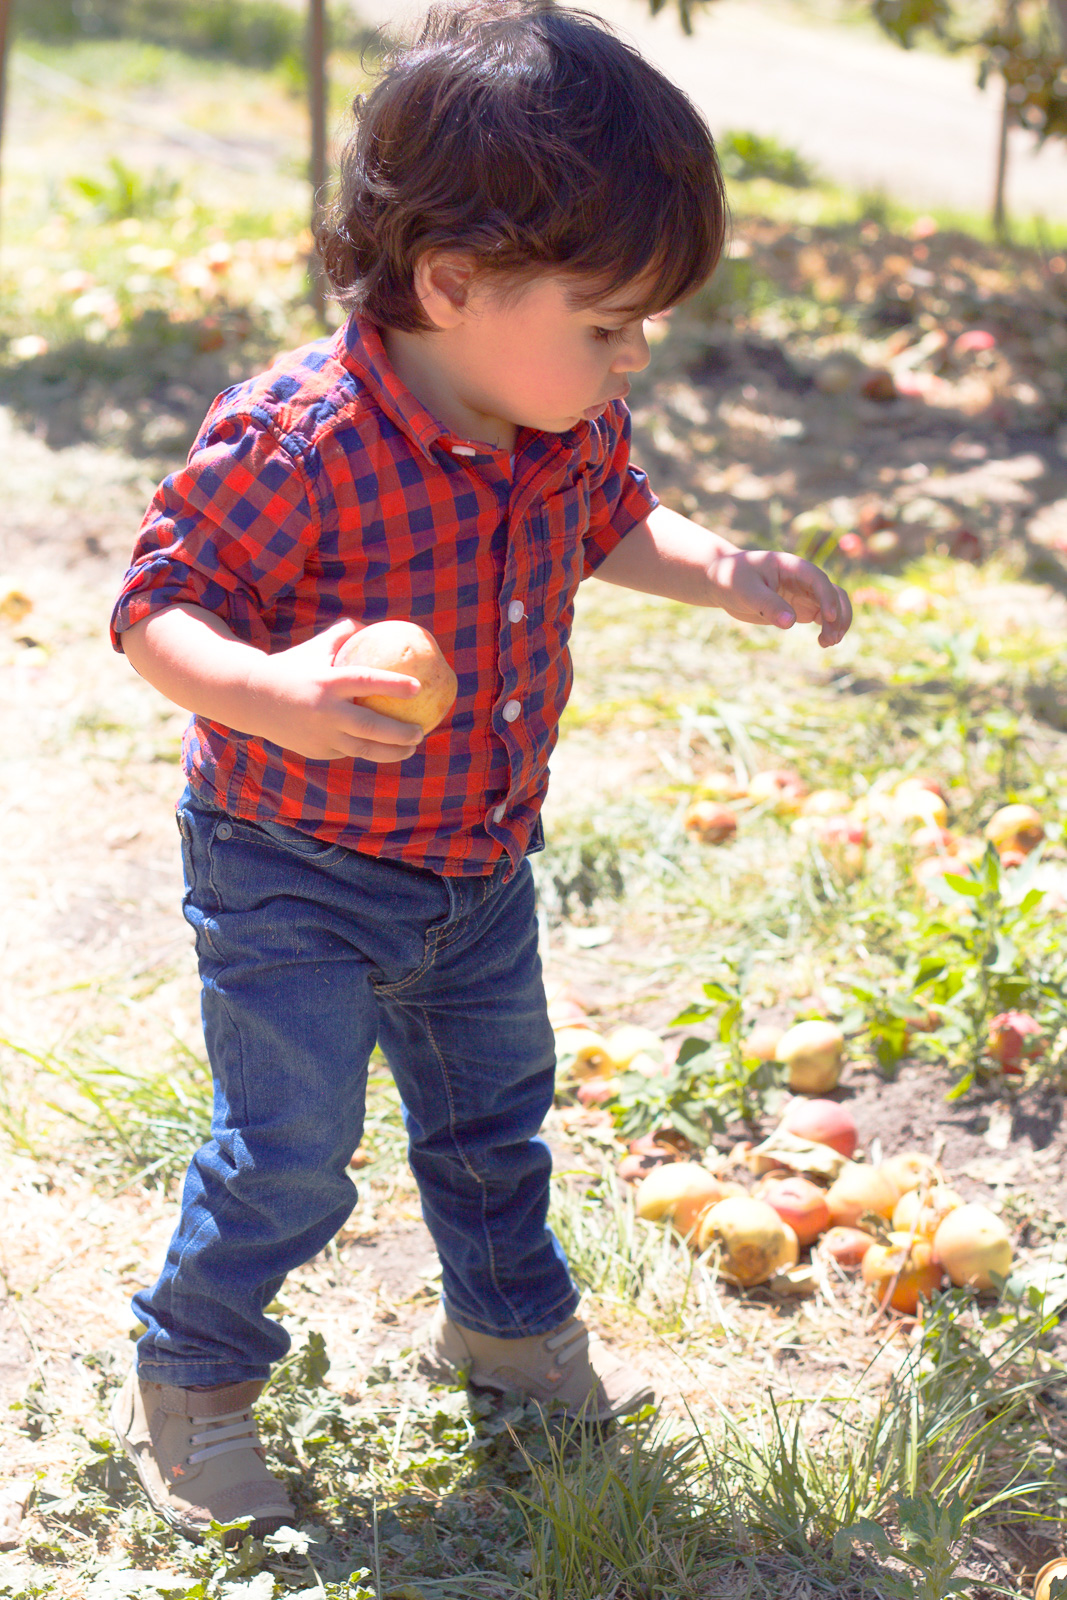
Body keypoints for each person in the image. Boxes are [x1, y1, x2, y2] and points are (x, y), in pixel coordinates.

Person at [107, 0, 852, 1543]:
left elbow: (617, 519)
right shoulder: (297, 442)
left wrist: (726, 571)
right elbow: (154, 609)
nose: (632, 356)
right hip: (292, 860)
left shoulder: (556, 419)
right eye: (609, 323)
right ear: (451, 283)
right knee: (293, 1148)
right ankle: (193, 1372)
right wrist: (271, 692)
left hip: (477, 865)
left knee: (493, 1125)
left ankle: (508, 1338)